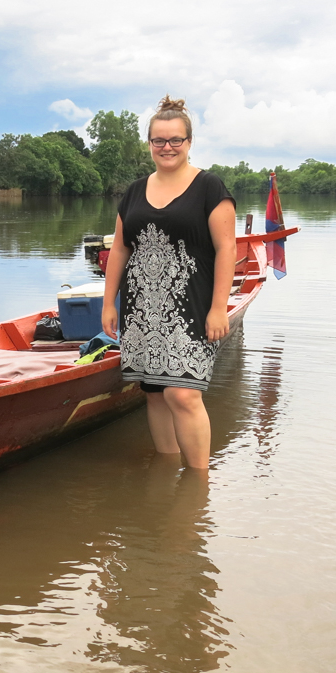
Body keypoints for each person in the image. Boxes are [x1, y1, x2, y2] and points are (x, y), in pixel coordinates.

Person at [101, 96, 236, 469]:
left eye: (175, 140)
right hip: (141, 307)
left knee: (183, 394)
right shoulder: (134, 191)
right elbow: (119, 249)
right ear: (149, 144)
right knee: (155, 392)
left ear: (189, 142)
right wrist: (109, 302)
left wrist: (219, 307)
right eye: (159, 140)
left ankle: (198, 483)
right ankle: (166, 469)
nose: (167, 147)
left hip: (191, 306)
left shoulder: (209, 187)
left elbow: (227, 249)